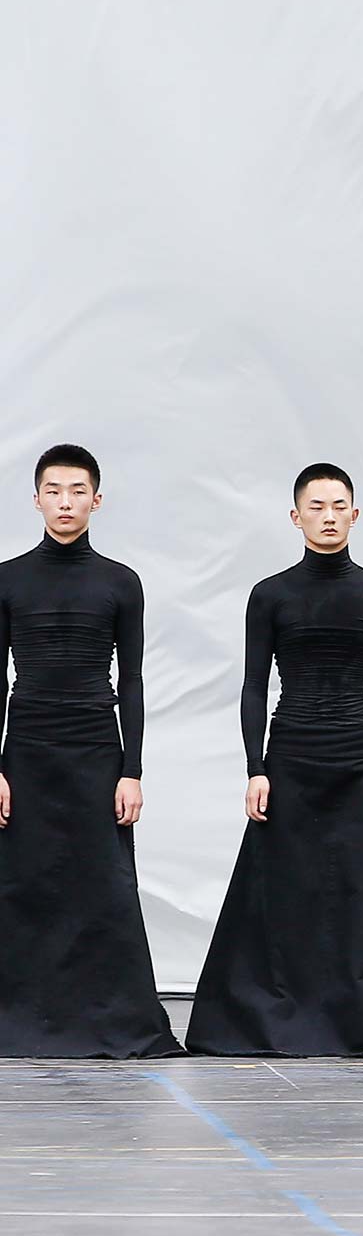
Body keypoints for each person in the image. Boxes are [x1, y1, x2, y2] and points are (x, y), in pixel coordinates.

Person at [187, 464, 363, 1056]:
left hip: (358, 755)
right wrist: (255, 768)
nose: (328, 517)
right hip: (291, 756)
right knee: (281, 887)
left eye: (338, 506)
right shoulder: (270, 595)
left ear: (355, 514)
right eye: (316, 506)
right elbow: (254, 686)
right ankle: (278, 1015)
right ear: (295, 516)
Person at [0, 445, 176, 1058]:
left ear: (96, 501)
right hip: (26, 752)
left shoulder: (120, 582)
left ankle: (106, 1016)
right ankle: (23, 1018)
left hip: (98, 751)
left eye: (77, 491)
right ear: (36, 500)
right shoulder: (8, 579)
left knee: (104, 886)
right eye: (54, 491)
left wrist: (133, 770)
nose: (65, 502)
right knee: (23, 881)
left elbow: (132, 680)